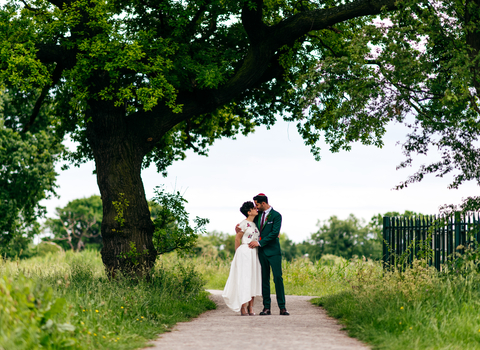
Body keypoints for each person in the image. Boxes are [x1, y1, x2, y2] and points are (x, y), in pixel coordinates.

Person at [237, 193, 289, 315]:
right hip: (261, 253)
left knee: (278, 278)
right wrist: (237, 229)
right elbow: (247, 223)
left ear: (263, 203)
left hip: (274, 251)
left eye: (257, 204)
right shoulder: (258, 215)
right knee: (264, 280)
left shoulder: (277, 216)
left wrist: (259, 242)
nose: (256, 207)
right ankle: (266, 308)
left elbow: (274, 232)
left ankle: (282, 307)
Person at [222, 201, 262, 315]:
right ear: (249, 212)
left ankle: (251, 307)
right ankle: (243, 306)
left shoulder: (255, 224)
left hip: (254, 253)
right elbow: (237, 238)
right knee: (245, 278)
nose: (256, 209)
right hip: (244, 252)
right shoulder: (243, 224)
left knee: (252, 278)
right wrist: (238, 253)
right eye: (254, 208)